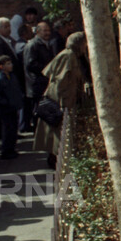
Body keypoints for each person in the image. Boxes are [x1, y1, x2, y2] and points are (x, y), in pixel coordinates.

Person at [35, 33, 87, 165]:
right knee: (57, 132)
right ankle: (56, 159)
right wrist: (62, 103)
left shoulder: (72, 55)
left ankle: (57, 158)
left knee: (59, 132)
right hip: (59, 101)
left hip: (64, 100)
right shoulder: (67, 56)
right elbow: (61, 81)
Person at [23, 21, 55, 133]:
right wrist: (48, 69)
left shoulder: (46, 44)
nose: (48, 33)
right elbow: (30, 64)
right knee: (38, 111)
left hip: (43, 83)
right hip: (37, 84)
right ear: (37, 32)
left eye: (49, 30)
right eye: (45, 31)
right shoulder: (33, 45)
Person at [0, 55, 24, 160]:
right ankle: (6, 150)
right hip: (6, 109)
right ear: (1, 66)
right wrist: (6, 103)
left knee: (13, 129)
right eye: (8, 64)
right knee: (7, 130)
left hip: (13, 107)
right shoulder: (0, 79)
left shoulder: (12, 76)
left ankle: (11, 148)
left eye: (10, 63)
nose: (11, 65)